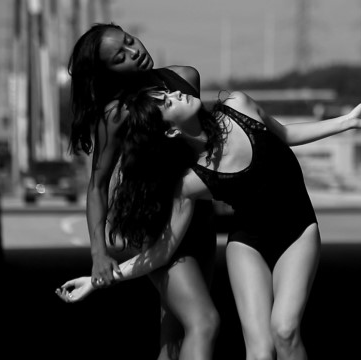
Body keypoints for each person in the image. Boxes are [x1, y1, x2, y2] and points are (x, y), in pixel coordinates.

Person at [57, 86, 361, 359]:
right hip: (247, 245)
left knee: (285, 331)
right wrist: (97, 281)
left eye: (167, 92)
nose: (175, 94)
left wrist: (349, 122)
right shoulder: (190, 182)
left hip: (297, 233)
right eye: (167, 103)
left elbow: (284, 133)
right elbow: (160, 253)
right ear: (170, 131)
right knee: (259, 351)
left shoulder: (238, 105)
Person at [62, 22, 219, 360]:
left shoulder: (185, 78)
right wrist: (98, 253)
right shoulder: (116, 113)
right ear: (109, 72)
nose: (135, 52)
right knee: (203, 321)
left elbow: (205, 146)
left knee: (174, 327)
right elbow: (97, 186)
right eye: (121, 56)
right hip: (152, 223)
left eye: (130, 42)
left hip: (198, 219)